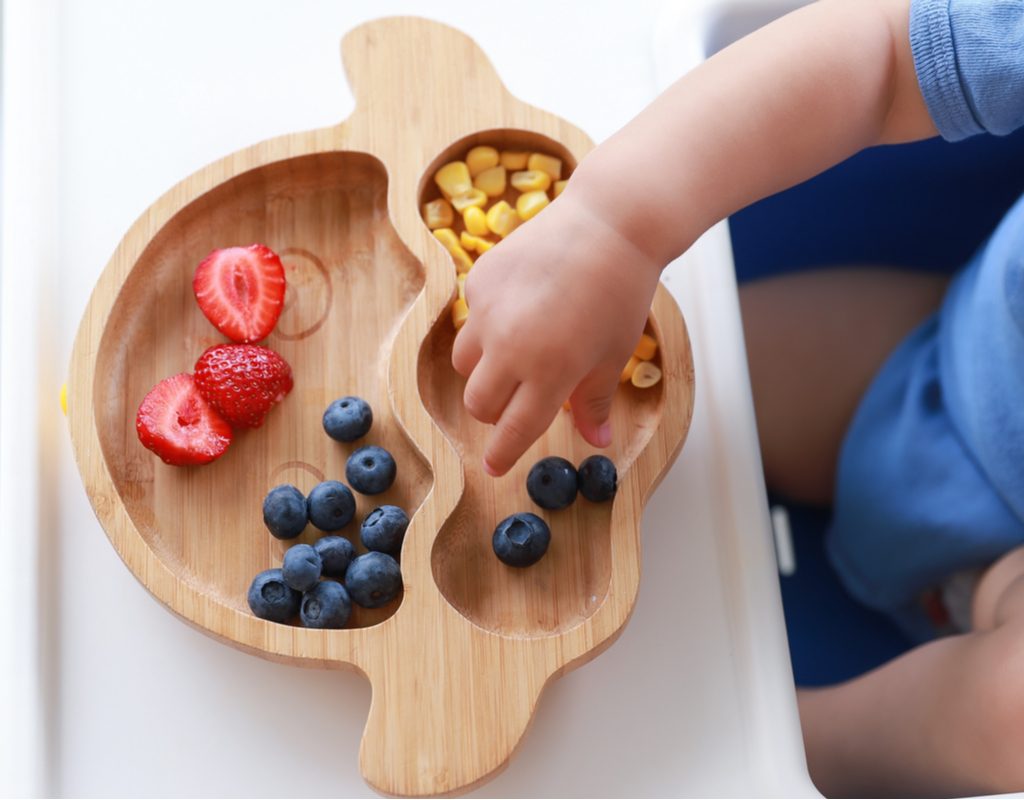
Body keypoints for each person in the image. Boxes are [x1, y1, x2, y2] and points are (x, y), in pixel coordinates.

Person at [454, 0, 1024, 795]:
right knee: (682, 372)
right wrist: (616, 222)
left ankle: (790, 741)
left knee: (1010, 716)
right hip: (941, 364)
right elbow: (884, 54)